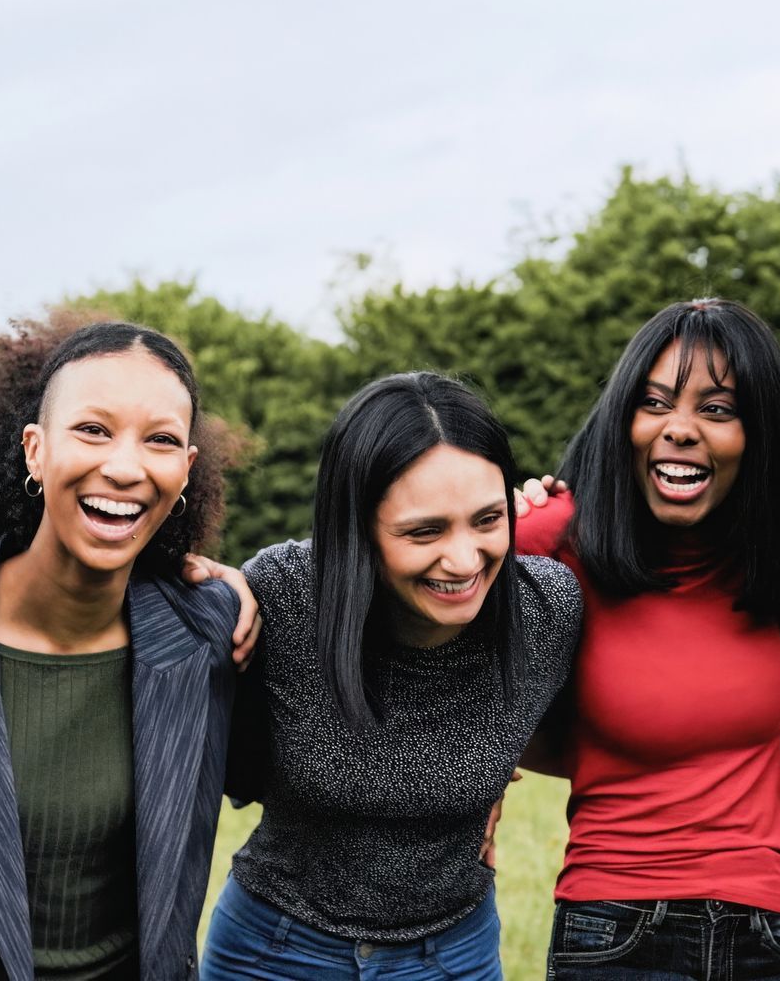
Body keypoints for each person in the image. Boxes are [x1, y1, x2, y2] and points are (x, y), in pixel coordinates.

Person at [202, 372, 583, 981]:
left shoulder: (546, 612)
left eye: (487, 520)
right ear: (358, 530)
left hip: (451, 955)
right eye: (424, 531)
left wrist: (737, 744)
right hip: (272, 952)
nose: (463, 561)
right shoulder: (284, 597)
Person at [0, 319, 244, 980]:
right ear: (35, 449)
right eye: (92, 429)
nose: (124, 467)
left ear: (185, 472)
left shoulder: (212, 631)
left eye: (161, 441)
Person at [517, 300, 780, 981]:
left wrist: (734, 747)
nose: (680, 430)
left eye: (718, 410)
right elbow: (398, 579)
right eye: (654, 403)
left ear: (759, 434)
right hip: (617, 929)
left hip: (773, 927)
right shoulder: (551, 540)